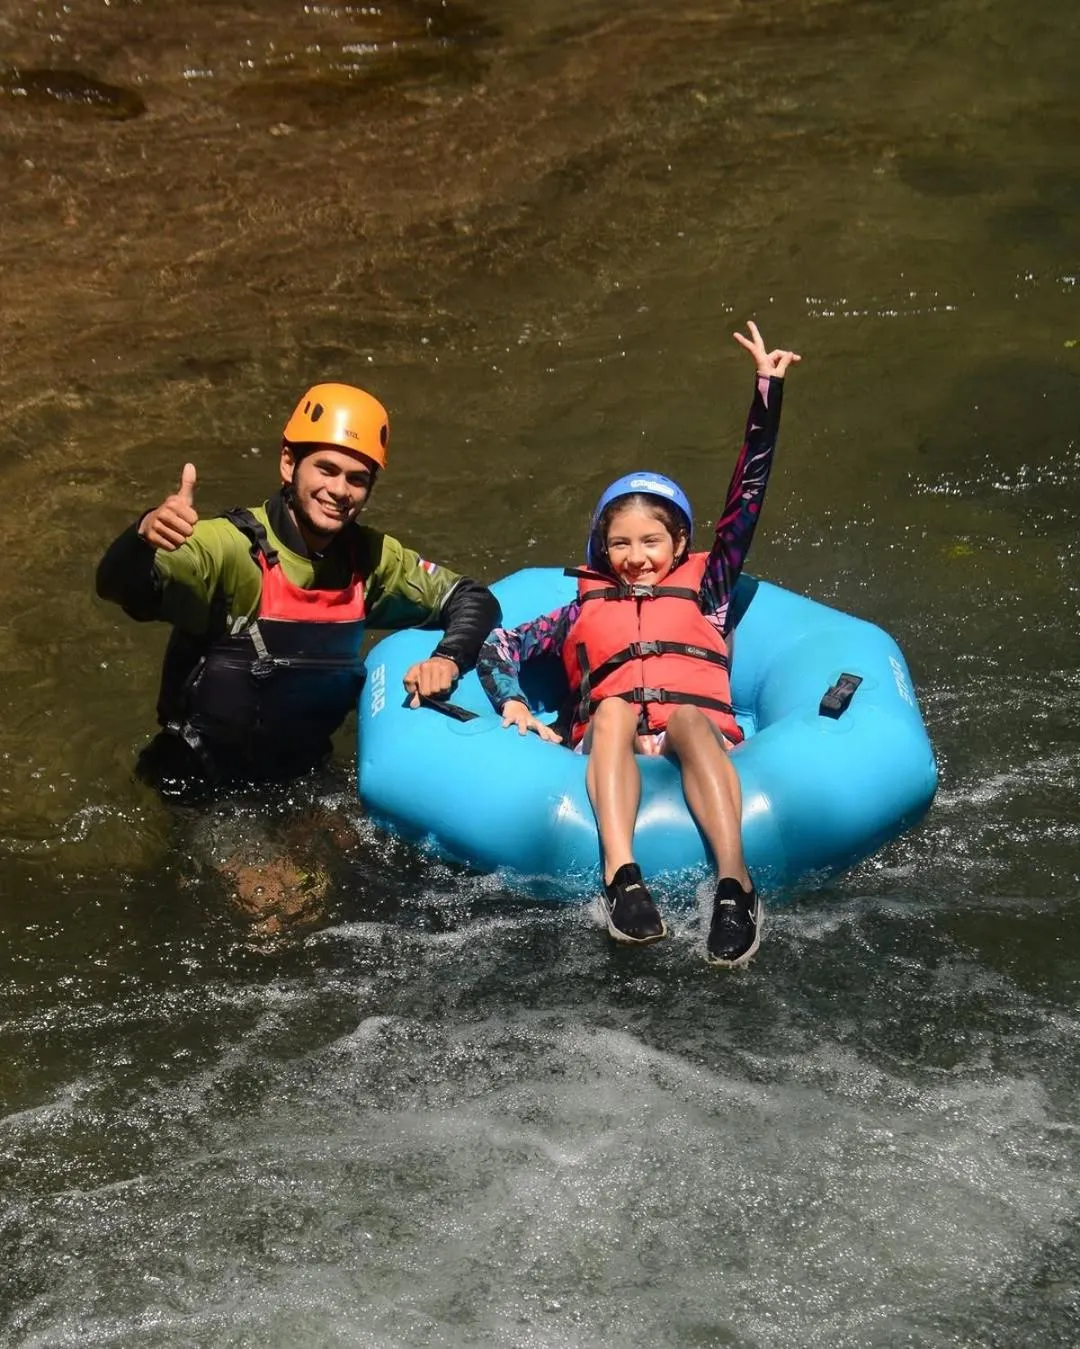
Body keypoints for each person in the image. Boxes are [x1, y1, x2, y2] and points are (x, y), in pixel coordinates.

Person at [477, 322, 800, 967]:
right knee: (616, 708)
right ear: (603, 550)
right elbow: (499, 643)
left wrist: (767, 392)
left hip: (693, 731)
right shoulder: (578, 609)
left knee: (685, 716)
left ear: (679, 545)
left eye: (651, 542)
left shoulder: (709, 589)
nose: (635, 558)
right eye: (619, 544)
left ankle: (735, 887)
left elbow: (747, 500)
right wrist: (512, 702)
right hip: (611, 739)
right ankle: (623, 878)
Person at [96, 382, 501, 796]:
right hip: (201, 788)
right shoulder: (228, 548)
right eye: (326, 469)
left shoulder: (371, 558)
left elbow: (471, 597)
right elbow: (121, 589)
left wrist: (448, 658)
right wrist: (143, 534)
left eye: (357, 479)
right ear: (289, 464)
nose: (340, 491)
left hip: (300, 781)